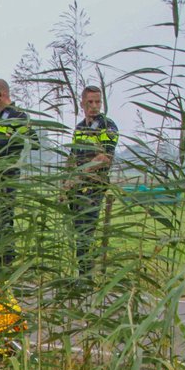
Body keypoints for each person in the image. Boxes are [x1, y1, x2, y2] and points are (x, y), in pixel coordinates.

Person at [0, 78, 39, 272]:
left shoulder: (18, 116)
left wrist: (14, 139)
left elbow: (33, 142)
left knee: (3, 220)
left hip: (5, 178)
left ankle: (6, 264)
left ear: (1, 94)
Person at [65, 86, 119, 279]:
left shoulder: (108, 126)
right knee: (78, 230)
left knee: (87, 231)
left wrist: (80, 173)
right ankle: (81, 274)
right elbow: (72, 156)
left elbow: (105, 157)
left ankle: (86, 276)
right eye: (90, 102)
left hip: (94, 186)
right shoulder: (80, 127)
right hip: (76, 188)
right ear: (82, 104)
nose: (94, 106)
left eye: (98, 102)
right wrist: (65, 182)